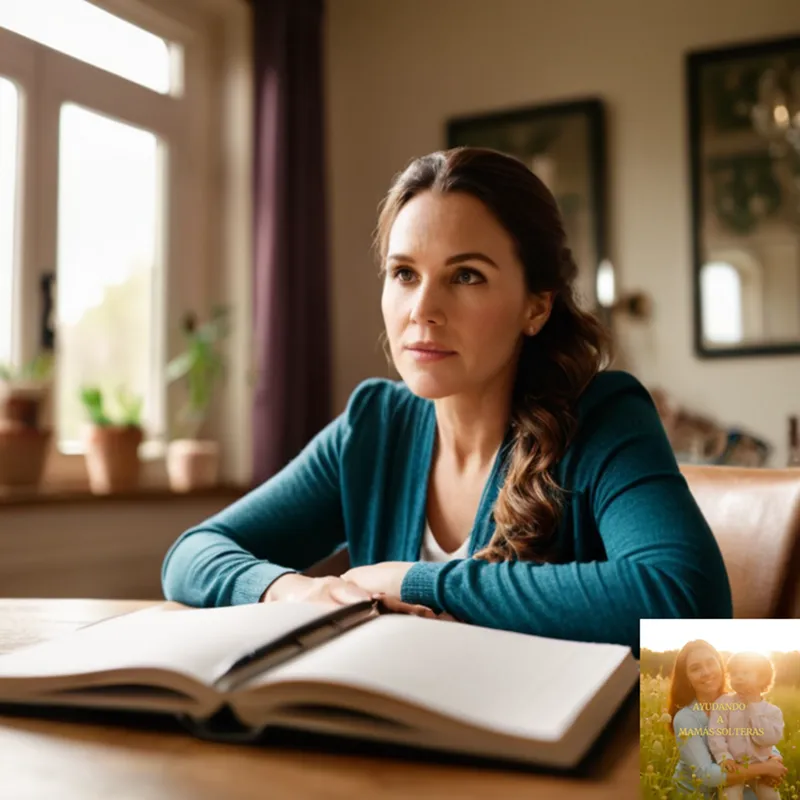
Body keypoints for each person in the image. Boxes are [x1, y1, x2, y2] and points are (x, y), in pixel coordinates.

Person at [162, 146, 733, 654]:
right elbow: (192, 554)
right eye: (405, 273)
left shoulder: (604, 415)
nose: (422, 310)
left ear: (536, 306)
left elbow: (686, 597)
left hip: (571, 760)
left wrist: (412, 580)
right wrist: (290, 589)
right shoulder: (374, 426)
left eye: (466, 277)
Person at [668, 640, 787, 798]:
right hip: (699, 793)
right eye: (695, 668)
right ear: (687, 678)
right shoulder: (685, 718)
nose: (706, 672)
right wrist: (765, 768)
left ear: (721, 666)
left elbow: (758, 738)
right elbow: (706, 775)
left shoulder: (740, 700)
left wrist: (775, 758)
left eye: (711, 663)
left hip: (739, 781)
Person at [707, 652, 785, 800]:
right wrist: (724, 757)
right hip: (734, 767)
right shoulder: (723, 703)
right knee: (729, 796)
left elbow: (767, 739)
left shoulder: (773, 712)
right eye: (734, 673)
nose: (739, 677)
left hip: (761, 769)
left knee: (772, 797)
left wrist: (754, 706)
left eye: (745, 672)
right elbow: (716, 733)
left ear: (762, 678)